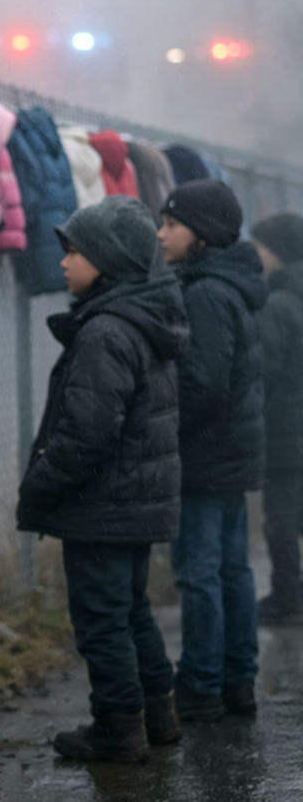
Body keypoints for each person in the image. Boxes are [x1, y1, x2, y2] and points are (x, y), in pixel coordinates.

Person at [18, 196, 189, 763]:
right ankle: (157, 714)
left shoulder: (107, 330)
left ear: (108, 261)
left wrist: (41, 483)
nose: (64, 263)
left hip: (103, 506)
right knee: (131, 610)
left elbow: (87, 435)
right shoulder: (141, 319)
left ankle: (118, 728)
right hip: (131, 503)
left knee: (100, 622)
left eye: (75, 252)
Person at [158, 180, 266, 722]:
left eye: (171, 224)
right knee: (232, 569)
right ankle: (237, 677)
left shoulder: (203, 293)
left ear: (200, 234)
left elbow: (202, 383)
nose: (161, 233)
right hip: (233, 451)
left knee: (200, 572)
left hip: (205, 456)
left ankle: (202, 681)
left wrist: (166, 426)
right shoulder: (232, 285)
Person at [251, 213, 303, 623]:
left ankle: (287, 596)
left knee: (281, 518)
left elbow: (263, 368)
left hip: (286, 430)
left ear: (279, 253)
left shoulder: (279, 304)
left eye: (261, 247)